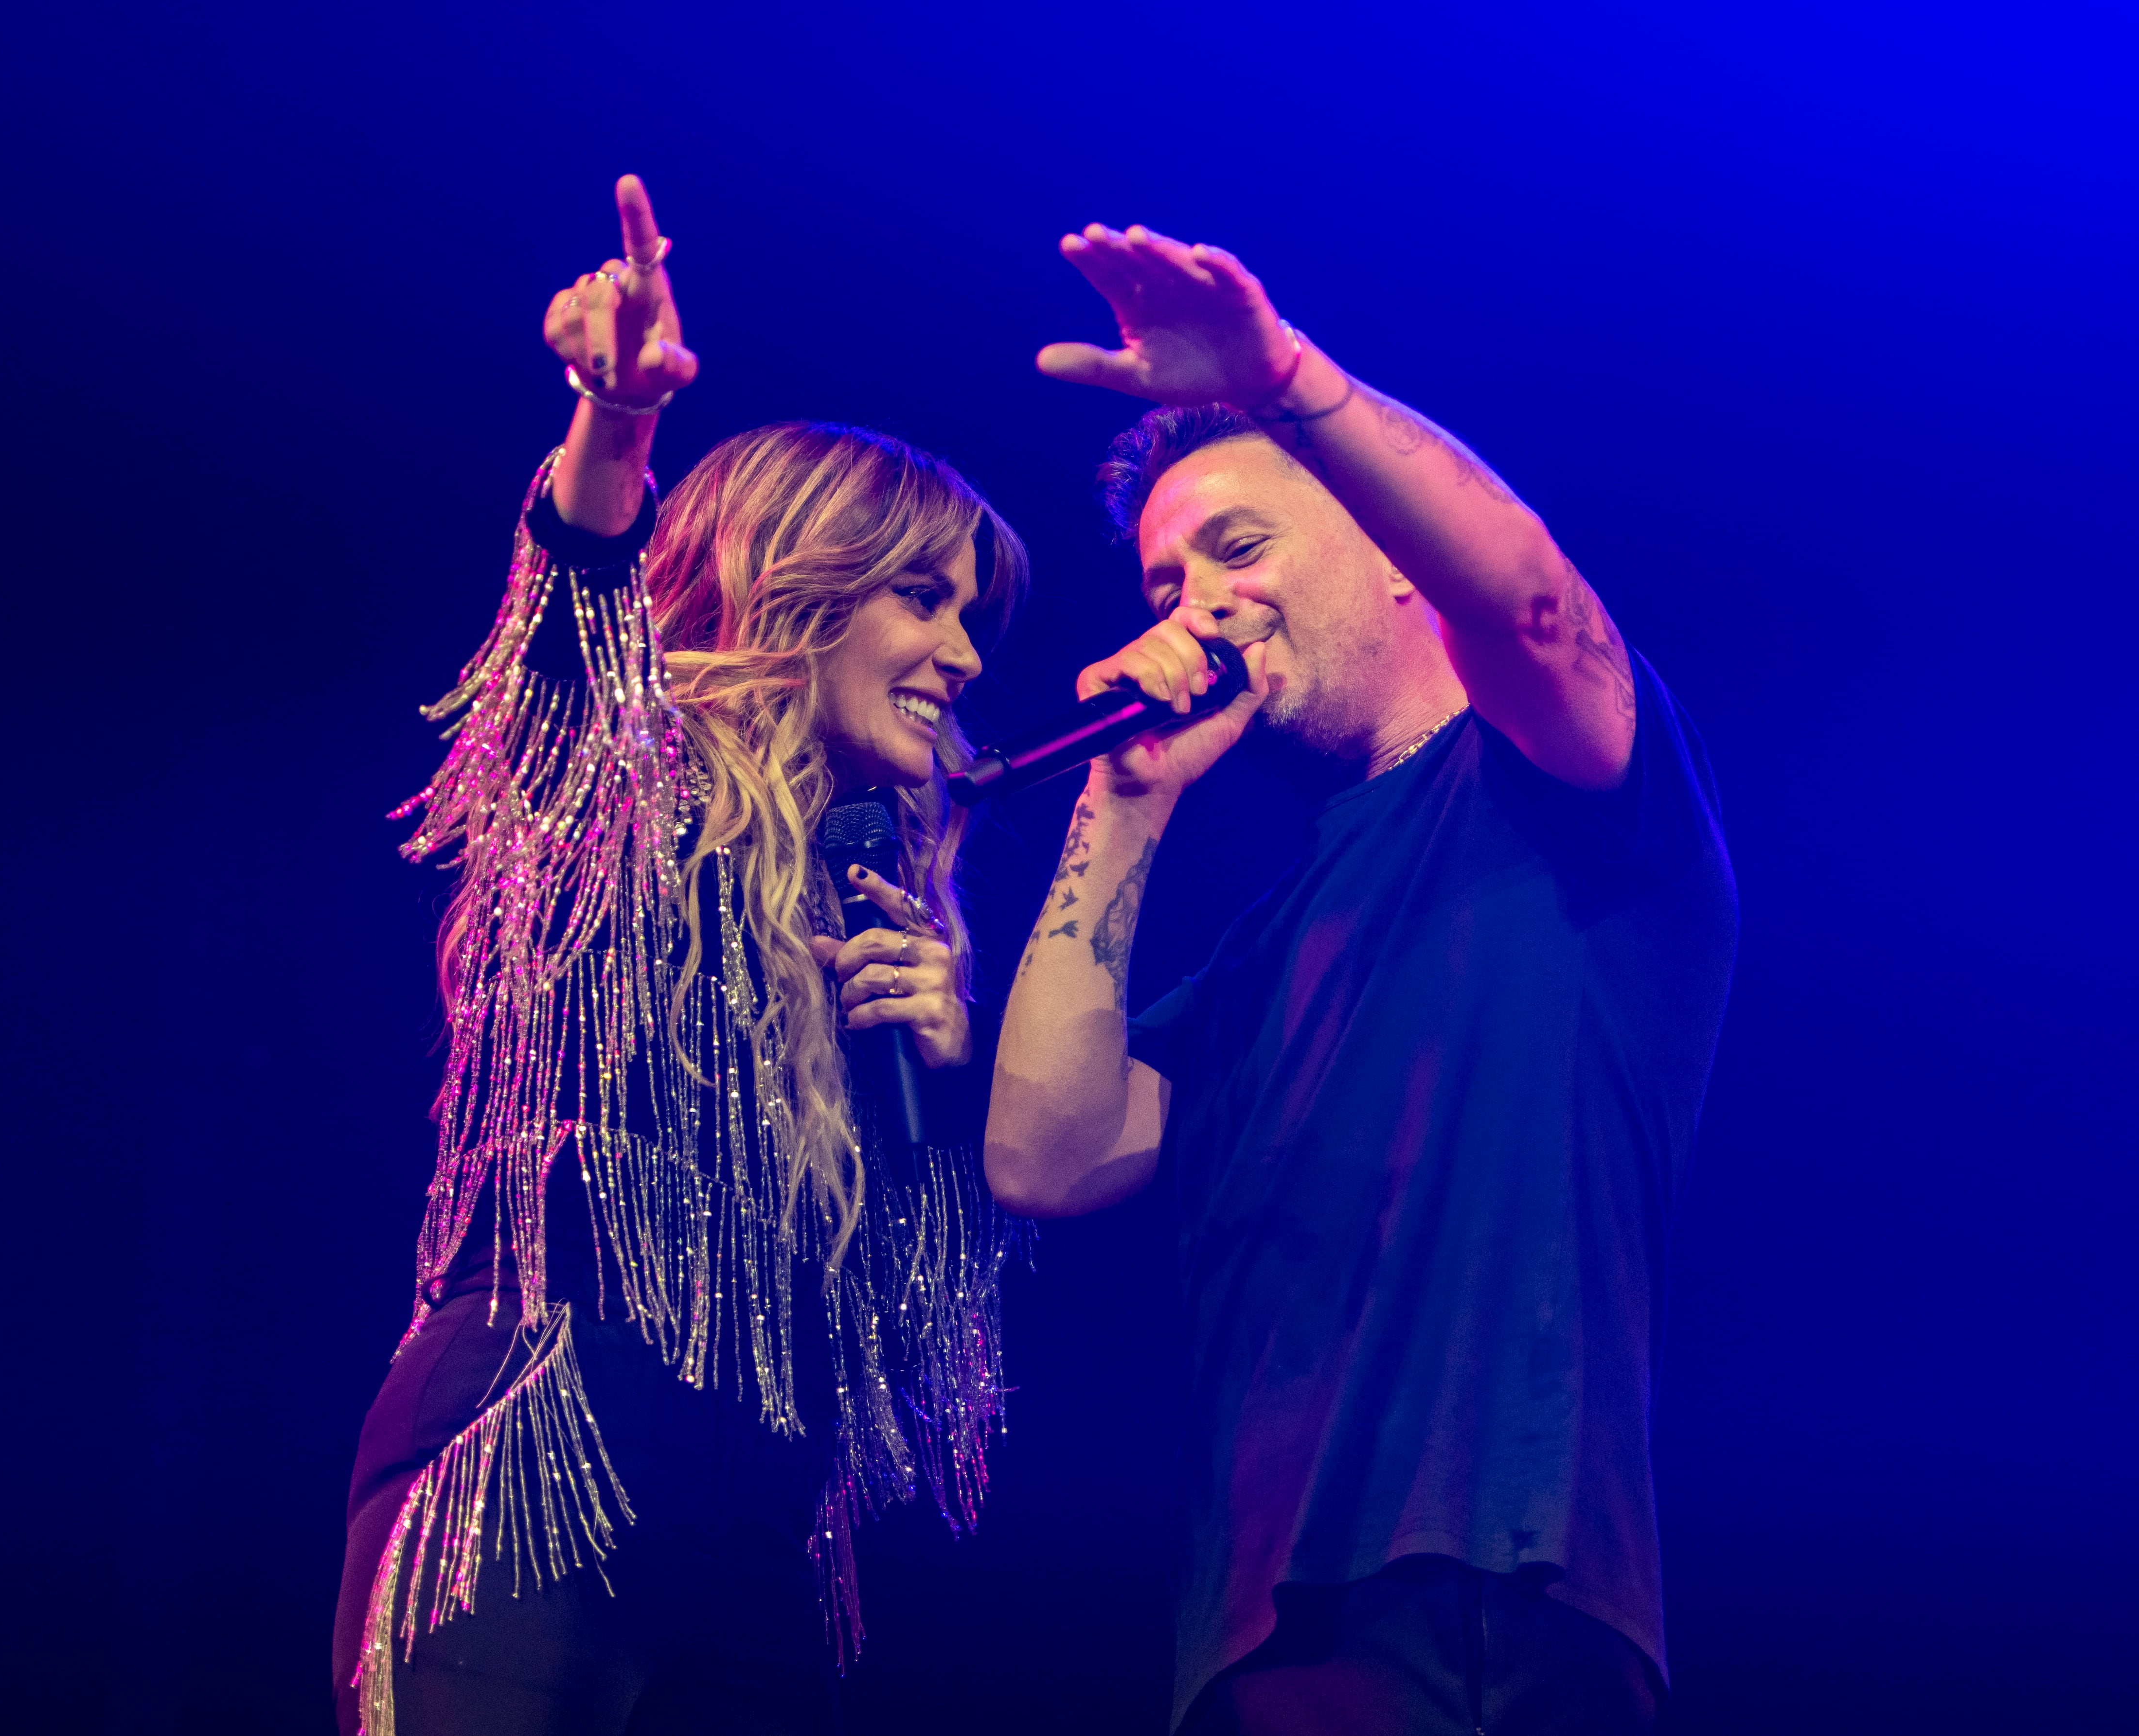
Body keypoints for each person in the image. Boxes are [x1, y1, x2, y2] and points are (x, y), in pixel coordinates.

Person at [985, 223, 1737, 1735]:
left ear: (1399, 559)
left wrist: (1283, 380)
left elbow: (1534, 609)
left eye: (1240, 547)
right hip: (1263, 1635)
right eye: (1166, 573)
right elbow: (1045, 1151)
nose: (1194, 597)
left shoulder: (1565, 791)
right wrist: (1121, 808)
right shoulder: (1265, 950)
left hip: (1501, 1589)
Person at [333, 175, 1027, 1736]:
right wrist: (615, 425)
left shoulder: (876, 907)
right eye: (925, 597)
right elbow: (575, 629)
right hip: (536, 1473)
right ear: (800, 585)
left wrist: (945, 1082)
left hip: (759, 1556)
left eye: (973, 615)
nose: (967, 657)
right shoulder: (626, 795)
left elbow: (920, 1351)